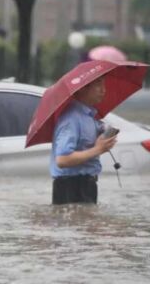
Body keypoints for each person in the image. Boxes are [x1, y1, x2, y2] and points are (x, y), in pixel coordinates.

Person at [50, 76, 117, 205]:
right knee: (75, 224)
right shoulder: (71, 119)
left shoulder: (90, 116)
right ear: (82, 89)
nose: (103, 90)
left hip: (87, 184)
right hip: (70, 187)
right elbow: (62, 159)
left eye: (104, 84)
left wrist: (103, 139)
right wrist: (97, 149)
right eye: (98, 85)